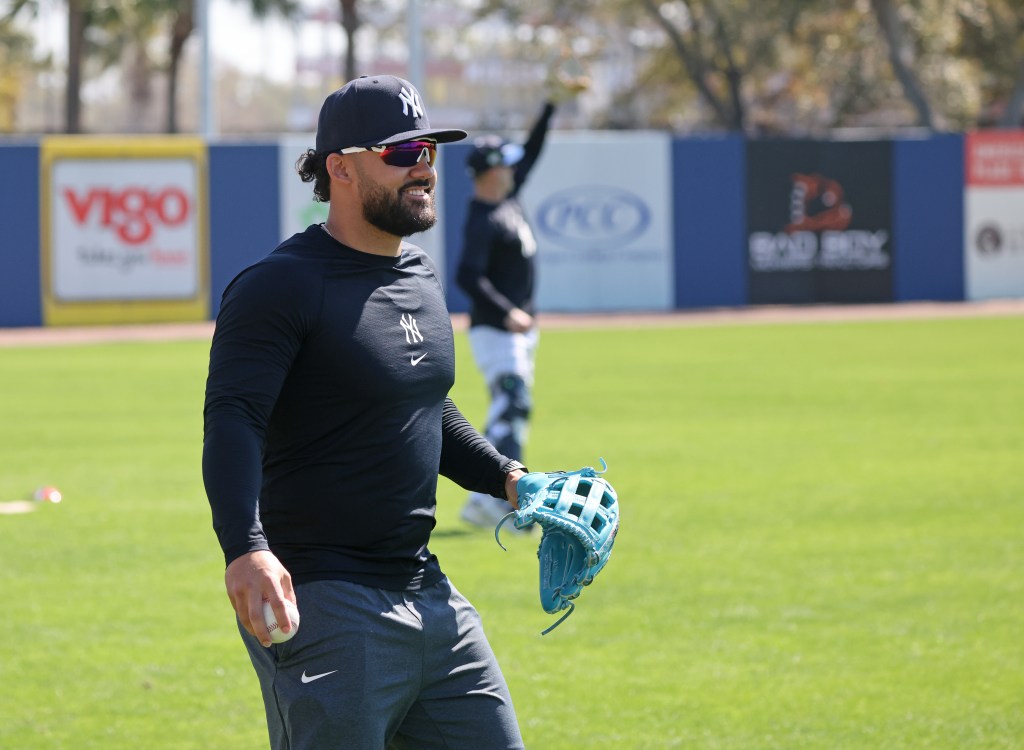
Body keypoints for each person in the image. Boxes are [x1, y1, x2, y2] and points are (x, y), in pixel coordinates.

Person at [202, 74, 529, 750]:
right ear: (341, 168)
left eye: (430, 149)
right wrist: (245, 548)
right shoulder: (279, 285)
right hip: (325, 603)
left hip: (430, 593)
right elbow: (233, 417)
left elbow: (423, 408)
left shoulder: (419, 276)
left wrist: (509, 479)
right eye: (401, 151)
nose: (424, 166)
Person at [456, 74, 585, 529]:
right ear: (491, 171)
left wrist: (550, 106)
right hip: (496, 331)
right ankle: (498, 500)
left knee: (514, 408)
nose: (513, 169)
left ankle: (499, 500)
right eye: (505, 164)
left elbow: (530, 154)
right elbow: (466, 275)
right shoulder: (483, 218)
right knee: (511, 403)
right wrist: (507, 310)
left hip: (518, 331)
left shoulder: (507, 197)